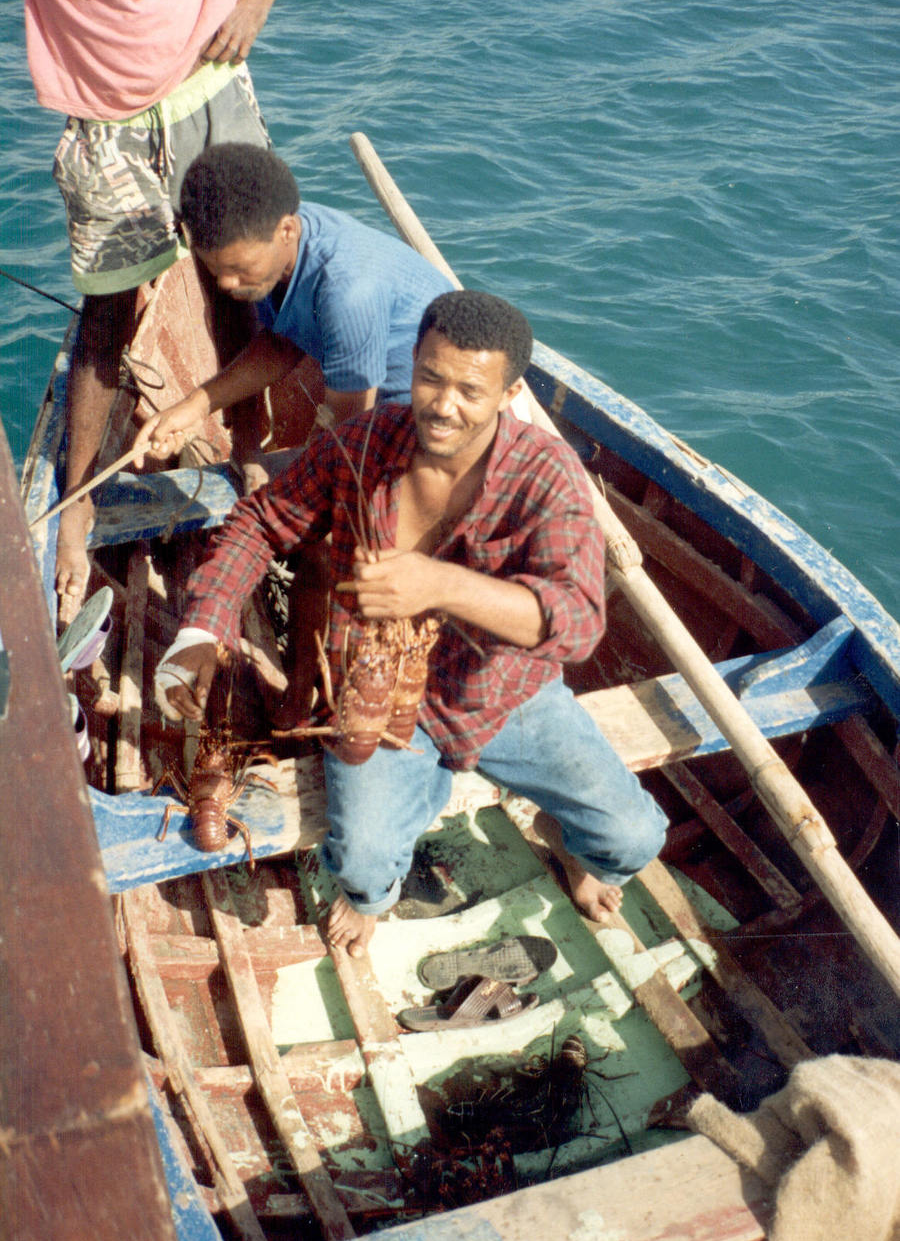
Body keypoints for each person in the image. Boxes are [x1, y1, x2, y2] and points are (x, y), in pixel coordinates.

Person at [151, 290, 669, 956]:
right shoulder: (366, 441)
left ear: (509, 393)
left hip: (505, 694)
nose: (442, 404)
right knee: (363, 865)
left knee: (633, 840)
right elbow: (259, 523)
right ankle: (372, 899)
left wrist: (443, 584)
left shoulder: (548, 476)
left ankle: (564, 841)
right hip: (376, 698)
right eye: (429, 377)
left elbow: (577, 622)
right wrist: (201, 631)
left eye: (470, 391)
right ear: (414, 364)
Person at [16, 0, 298, 623]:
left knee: (240, 288)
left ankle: (250, 452)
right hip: (104, 119)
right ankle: (80, 501)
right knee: (106, 318)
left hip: (211, 79)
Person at [132, 142, 455, 463]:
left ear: (287, 230)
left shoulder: (348, 293)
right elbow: (282, 345)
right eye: (216, 270)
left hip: (426, 422)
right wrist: (194, 406)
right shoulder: (283, 236)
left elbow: (347, 436)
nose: (226, 284)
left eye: (239, 269)